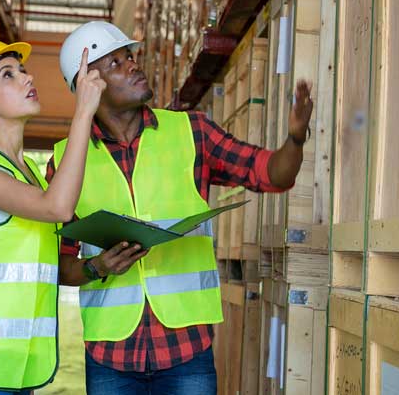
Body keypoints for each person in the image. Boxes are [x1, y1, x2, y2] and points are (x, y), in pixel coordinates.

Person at [48, 21, 314, 395]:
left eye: (131, 56)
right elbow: (58, 264)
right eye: (117, 63)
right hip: (110, 356)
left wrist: (295, 138)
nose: (133, 65)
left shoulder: (193, 132)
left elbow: (272, 174)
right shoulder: (65, 160)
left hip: (187, 351)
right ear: (89, 84)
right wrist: (97, 266)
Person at [0, 38, 143, 394]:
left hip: (11, 366)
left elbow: (41, 256)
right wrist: (84, 111)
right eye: (8, 74)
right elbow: (57, 207)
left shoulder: (30, 177)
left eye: (23, 70)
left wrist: (97, 266)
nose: (26, 78)